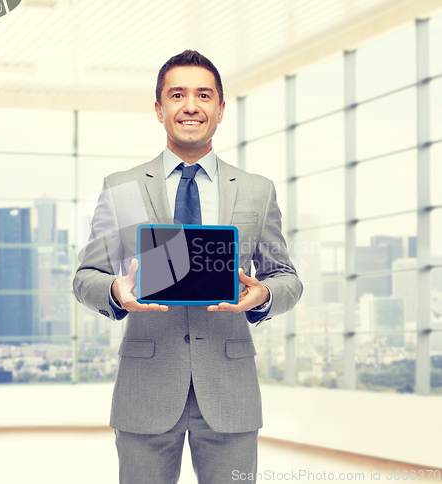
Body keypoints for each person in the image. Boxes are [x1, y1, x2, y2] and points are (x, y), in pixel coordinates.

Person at [73, 50, 303, 484]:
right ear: (159, 109)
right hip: (145, 389)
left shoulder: (256, 191)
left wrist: (264, 295)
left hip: (229, 390)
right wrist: (116, 293)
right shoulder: (121, 188)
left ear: (220, 110)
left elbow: (285, 275)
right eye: (177, 95)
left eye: (204, 95)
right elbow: (86, 276)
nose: (191, 106)